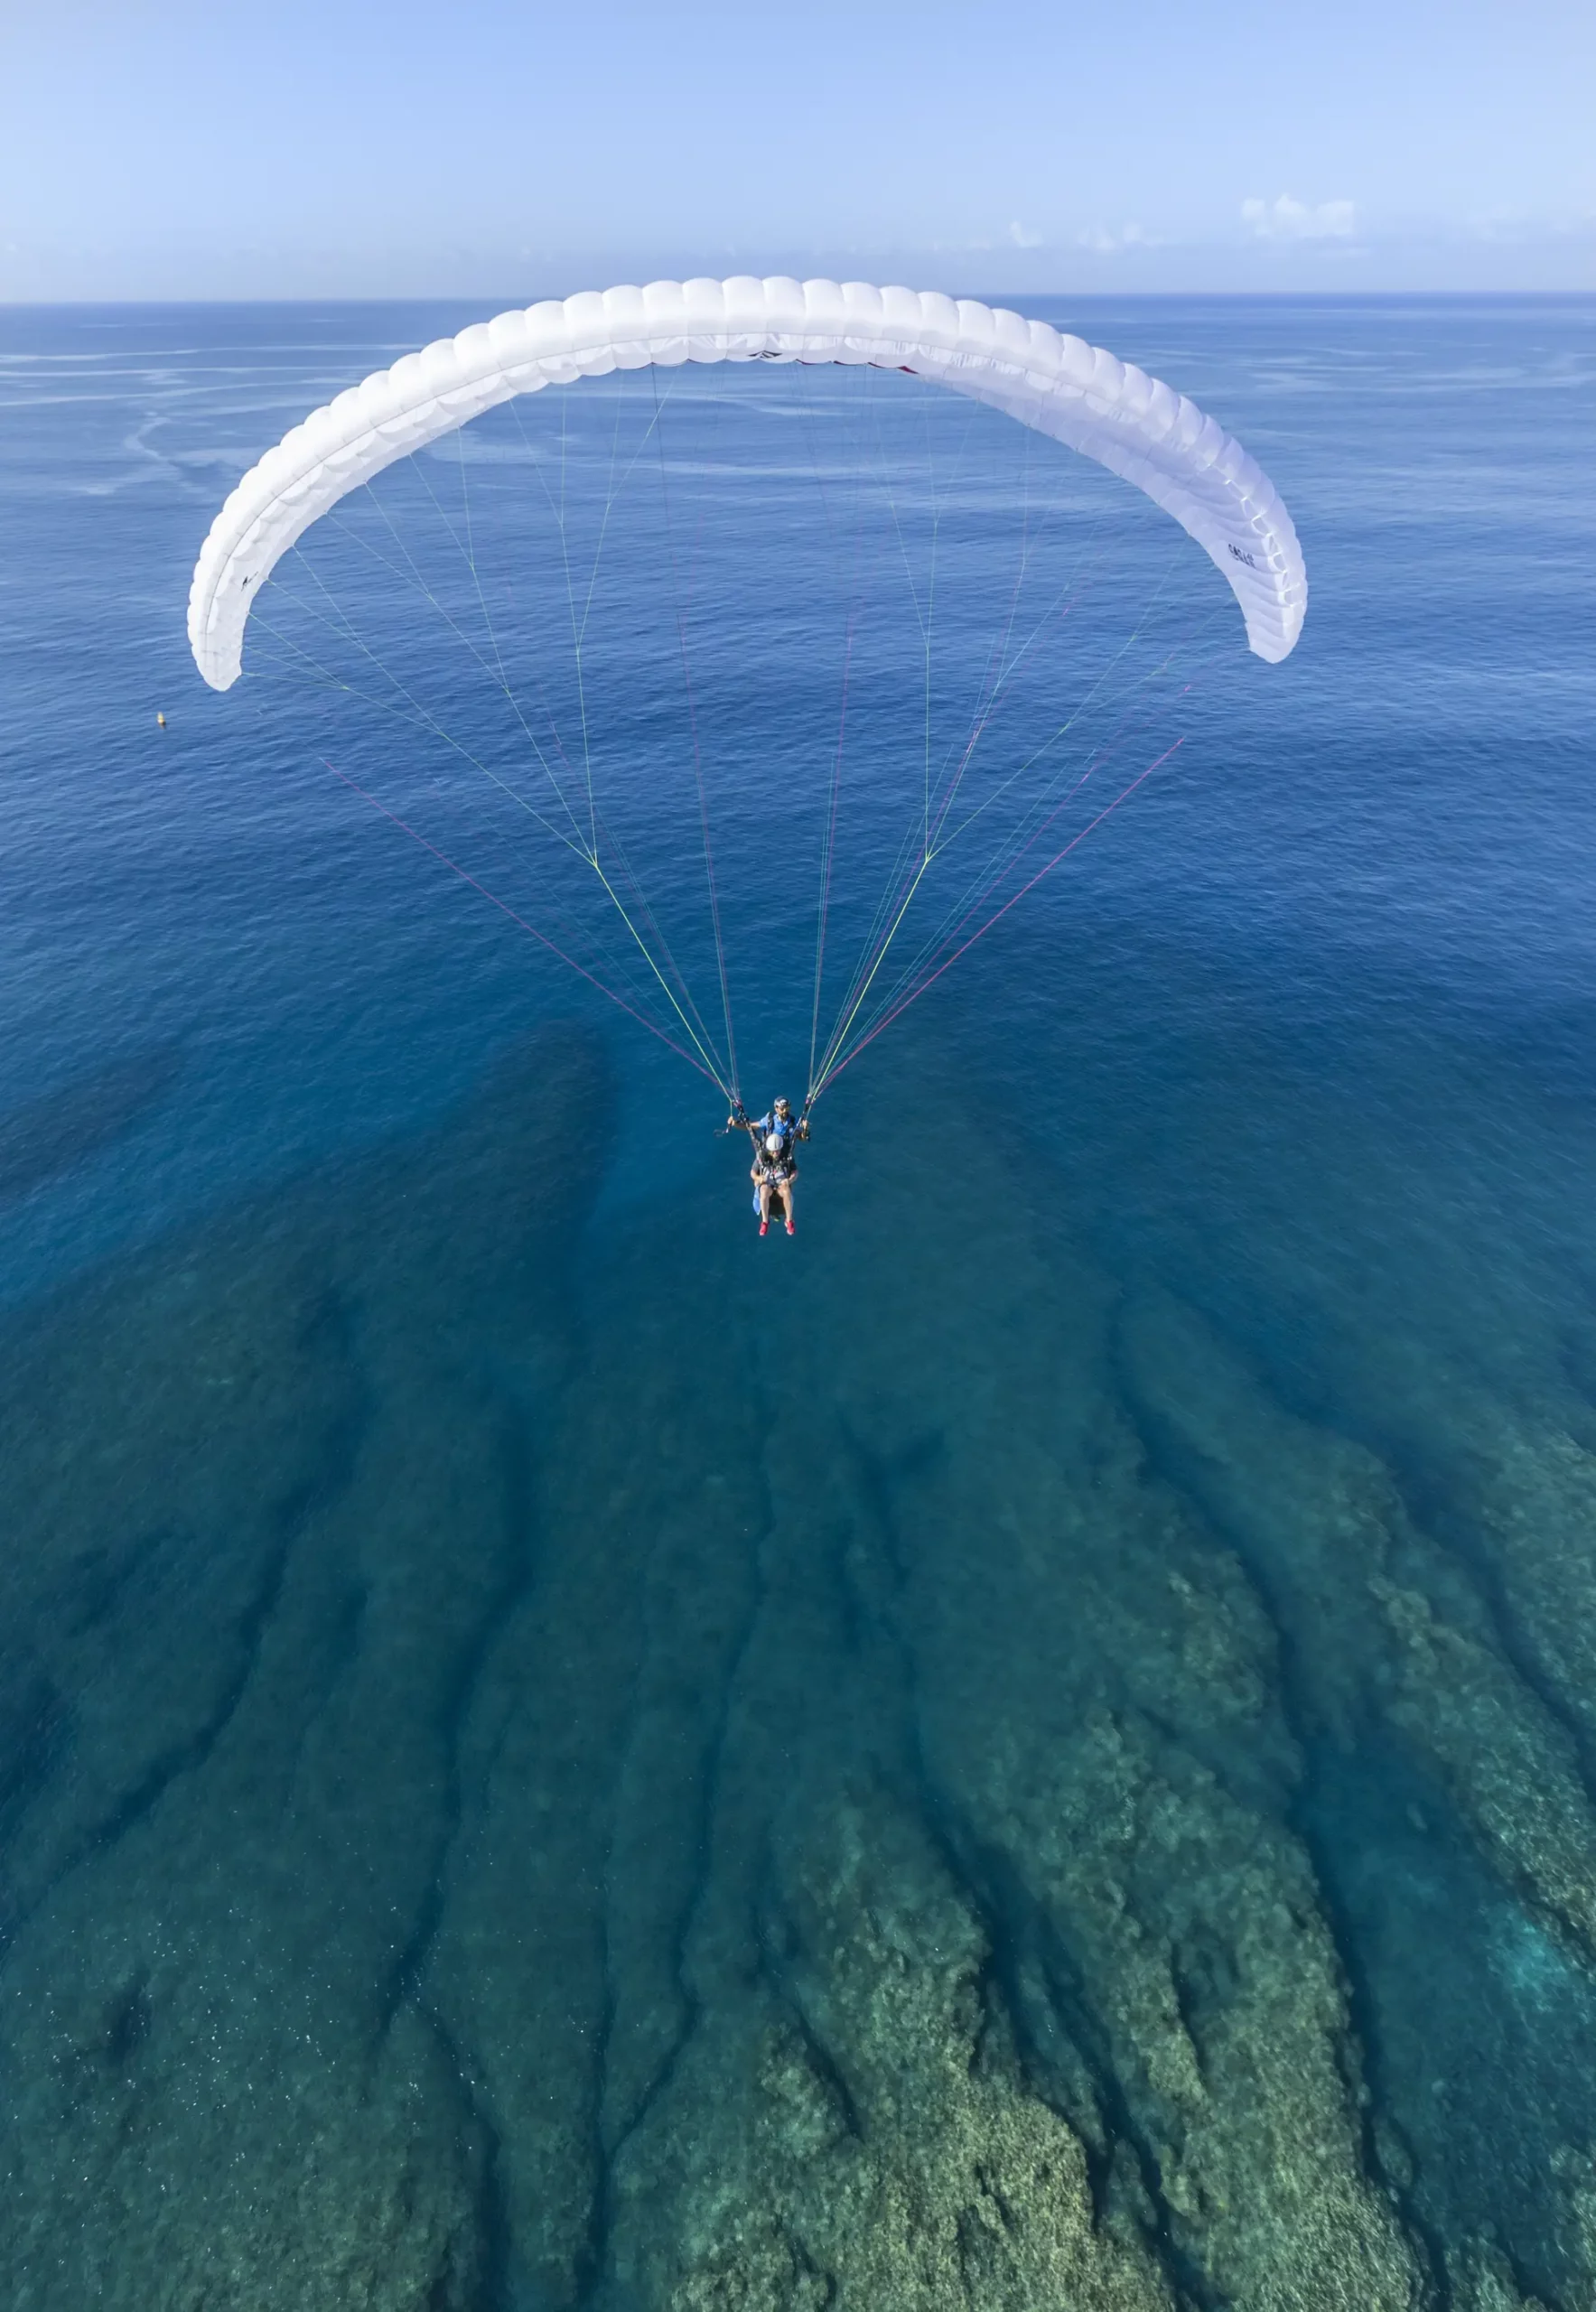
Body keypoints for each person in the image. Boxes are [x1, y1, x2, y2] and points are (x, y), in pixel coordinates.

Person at [729, 1095, 808, 1235]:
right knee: (764, 1189)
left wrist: (805, 1130)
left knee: (785, 1189)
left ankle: (789, 1221)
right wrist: (735, 1124)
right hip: (768, 1160)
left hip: (784, 1159)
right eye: (782, 1108)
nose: (785, 1111)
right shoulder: (769, 1121)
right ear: (776, 1108)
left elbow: (802, 1138)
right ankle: (765, 1222)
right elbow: (750, 1127)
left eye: (787, 1108)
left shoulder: (793, 1123)